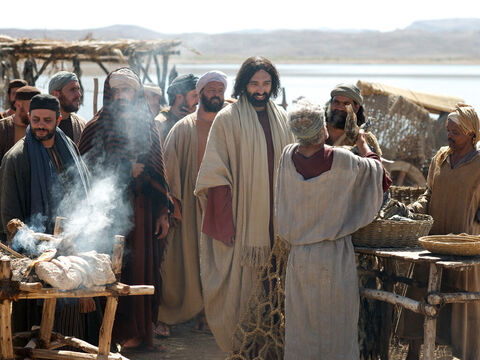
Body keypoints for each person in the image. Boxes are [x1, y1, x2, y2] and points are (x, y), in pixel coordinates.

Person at [275, 100, 389, 359]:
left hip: (300, 257)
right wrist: (361, 141)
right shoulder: (342, 160)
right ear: (322, 129)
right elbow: (377, 173)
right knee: (335, 327)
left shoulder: (287, 156)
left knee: (302, 327)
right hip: (333, 256)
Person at [194, 56, 294, 351]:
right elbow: (215, 174)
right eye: (254, 83)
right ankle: (243, 346)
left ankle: (272, 346)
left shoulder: (282, 117)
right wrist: (225, 224)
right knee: (243, 289)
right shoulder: (228, 118)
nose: (260, 89)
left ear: (273, 85)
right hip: (243, 221)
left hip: (278, 222)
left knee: (276, 288)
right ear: (243, 84)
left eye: (266, 83)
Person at [78, 67, 172, 352]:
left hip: (142, 213)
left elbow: (158, 174)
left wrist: (163, 213)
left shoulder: (148, 126)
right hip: (108, 216)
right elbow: (85, 174)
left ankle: (141, 332)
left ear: (136, 93)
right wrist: (123, 171)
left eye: (126, 90)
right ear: (109, 94)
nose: (121, 96)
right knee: (114, 272)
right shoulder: (96, 126)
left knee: (142, 270)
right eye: (116, 91)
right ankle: (114, 331)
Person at [0, 94, 91, 336]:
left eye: (47, 120)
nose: (41, 125)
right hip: (36, 256)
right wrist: (40, 249)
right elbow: (10, 217)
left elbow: (85, 191)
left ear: (58, 120)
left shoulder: (68, 148)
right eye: (36, 119)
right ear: (29, 117)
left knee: (75, 329)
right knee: (35, 330)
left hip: (73, 246)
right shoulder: (16, 158)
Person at [400, 104, 480, 360]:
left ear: (471, 134)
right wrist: (414, 209)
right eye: (448, 130)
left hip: (464, 246)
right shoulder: (440, 158)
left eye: (455, 132)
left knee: (462, 307)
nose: (449, 136)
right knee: (422, 298)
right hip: (434, 243)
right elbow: (429, 193)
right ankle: (413, 355)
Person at [156, 70, 228, 336]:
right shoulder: (183, 128)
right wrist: (171, 203)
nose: (216, 94)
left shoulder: (228, 126)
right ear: (200, 94)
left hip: (220, 207)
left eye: (220, 90)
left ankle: (210, 316)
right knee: (181, 263)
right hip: (188, 206)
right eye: (211, 90)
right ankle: (171, 314)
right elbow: (169, 168)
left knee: (218, 264)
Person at [0, 86, 41, 161]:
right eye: (33, 107)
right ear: (18, 105)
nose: (37, 112)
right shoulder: (2, 128)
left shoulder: (42, 128)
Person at [155, 74, 198, 141]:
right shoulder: (160, 123)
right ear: (179, 97)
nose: (198, 100)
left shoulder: (196, 119)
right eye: (194, 96)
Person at [48, 71, 86, 144]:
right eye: (72, 90)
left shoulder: (80, 124)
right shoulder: (40, 124)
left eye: (78, 89)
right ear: (56, 94)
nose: (79, 94)